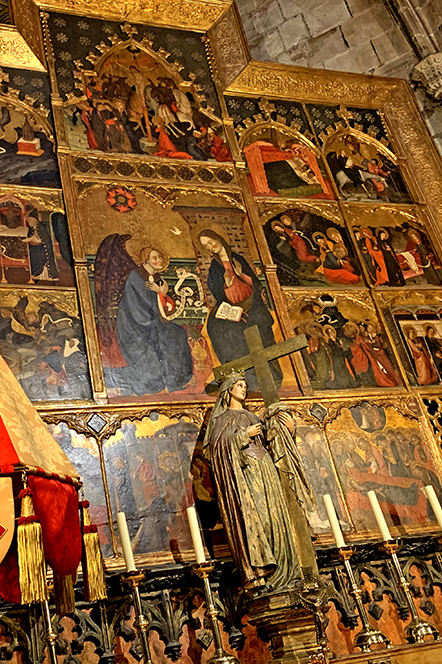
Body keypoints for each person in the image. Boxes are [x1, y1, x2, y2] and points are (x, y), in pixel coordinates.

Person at [203, 374, 300, 591]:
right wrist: (242, 436)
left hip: (266, 469)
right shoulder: (220, 420)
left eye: (246, 386)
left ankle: (286, 571)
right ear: (228, 389)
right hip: (246, 475)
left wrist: (289, 430)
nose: (244, 389)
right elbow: (218, 453)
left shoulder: (253, 417)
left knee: (276, 519)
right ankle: (264, 571)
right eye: (239, 385)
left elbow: (274, 444)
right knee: (261, 519)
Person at [198, 229, 278, 389]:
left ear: (218, 237)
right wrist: (227, 285)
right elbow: (215, 291)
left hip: (252, 304)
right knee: (215, 326)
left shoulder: (238, 259)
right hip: (231, 305)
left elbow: (256, 285)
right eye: (206, 246)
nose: (210, 247)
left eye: (210, 241)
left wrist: (241, 275)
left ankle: (258, 377)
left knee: (251, 325)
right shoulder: (215, 267)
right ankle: (234, 373)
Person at [114, 247, 194, 395]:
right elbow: (137, 304)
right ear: (146, 259)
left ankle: (177, 379)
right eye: (154, 258)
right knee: (161, 338)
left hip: (153, 321)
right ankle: (161, 381)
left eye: (160, 257)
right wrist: (158, 295)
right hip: (135, 323)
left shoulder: (158, 280)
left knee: (179, 332)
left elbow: (166, 308)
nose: (159, 261)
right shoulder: (135, 276)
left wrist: (161, 293)